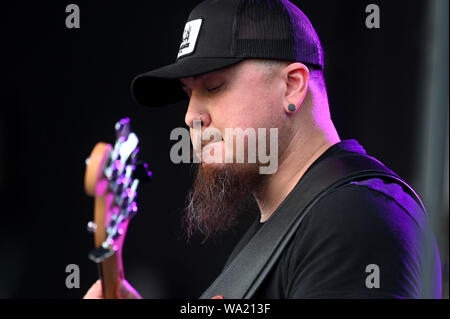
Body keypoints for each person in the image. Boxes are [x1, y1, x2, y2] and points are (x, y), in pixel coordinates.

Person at [84, 0, 441, 299]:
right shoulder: (279, 232)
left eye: (215, 86)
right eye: (187, 93)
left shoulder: (354, 218)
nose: (191, 114)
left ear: (292, 87)